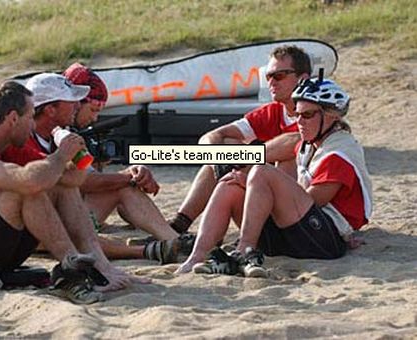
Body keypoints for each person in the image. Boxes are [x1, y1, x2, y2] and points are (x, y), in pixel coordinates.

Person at [0, 79, 146, 308]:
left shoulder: (12, 148)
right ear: (13, 118)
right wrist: (60, 157)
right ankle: (72, 266)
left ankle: (98, 266)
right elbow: (29, 181)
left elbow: (72, 182)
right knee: (26, 190)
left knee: (55, 184)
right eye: (29, 118)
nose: (32, 126)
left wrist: (77, 157)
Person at [179, 77, 373, 276]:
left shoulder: (339, 152)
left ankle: (244, 251)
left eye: (307, 115)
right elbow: (284, 147)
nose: (299, 122)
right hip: (295, 234)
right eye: (297, 115)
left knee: (261, 172)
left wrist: (254, 182)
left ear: (332, 116)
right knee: (229, 184)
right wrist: (241, 169)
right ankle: (196, 257)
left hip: (324, 241)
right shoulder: (311, 142)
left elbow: (314, 201)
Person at [24, 70, 193, 263]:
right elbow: (85, 183)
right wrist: (129, 176)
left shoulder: (58, 133)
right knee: (78, 228)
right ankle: (148, 250)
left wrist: (125, 175)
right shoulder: (25, 139)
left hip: (59, 215)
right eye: (72, 101)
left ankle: (173, 240)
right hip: (36, 227)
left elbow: (83, 178)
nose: (77, 105)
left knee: (120, 188)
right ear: (50, 110)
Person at [169, 45, 312, 234]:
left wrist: (240, 158)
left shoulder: (316, 112)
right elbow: (212, 136)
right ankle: (178, 226)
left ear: (302, 79)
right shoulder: (272, 112)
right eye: (268, 77)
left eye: (279, 76)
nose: (271, 82)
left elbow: (298, 142)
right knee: (224, 147)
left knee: (278, 157)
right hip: (269, 198)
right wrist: (216, 156)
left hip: (304, 212)